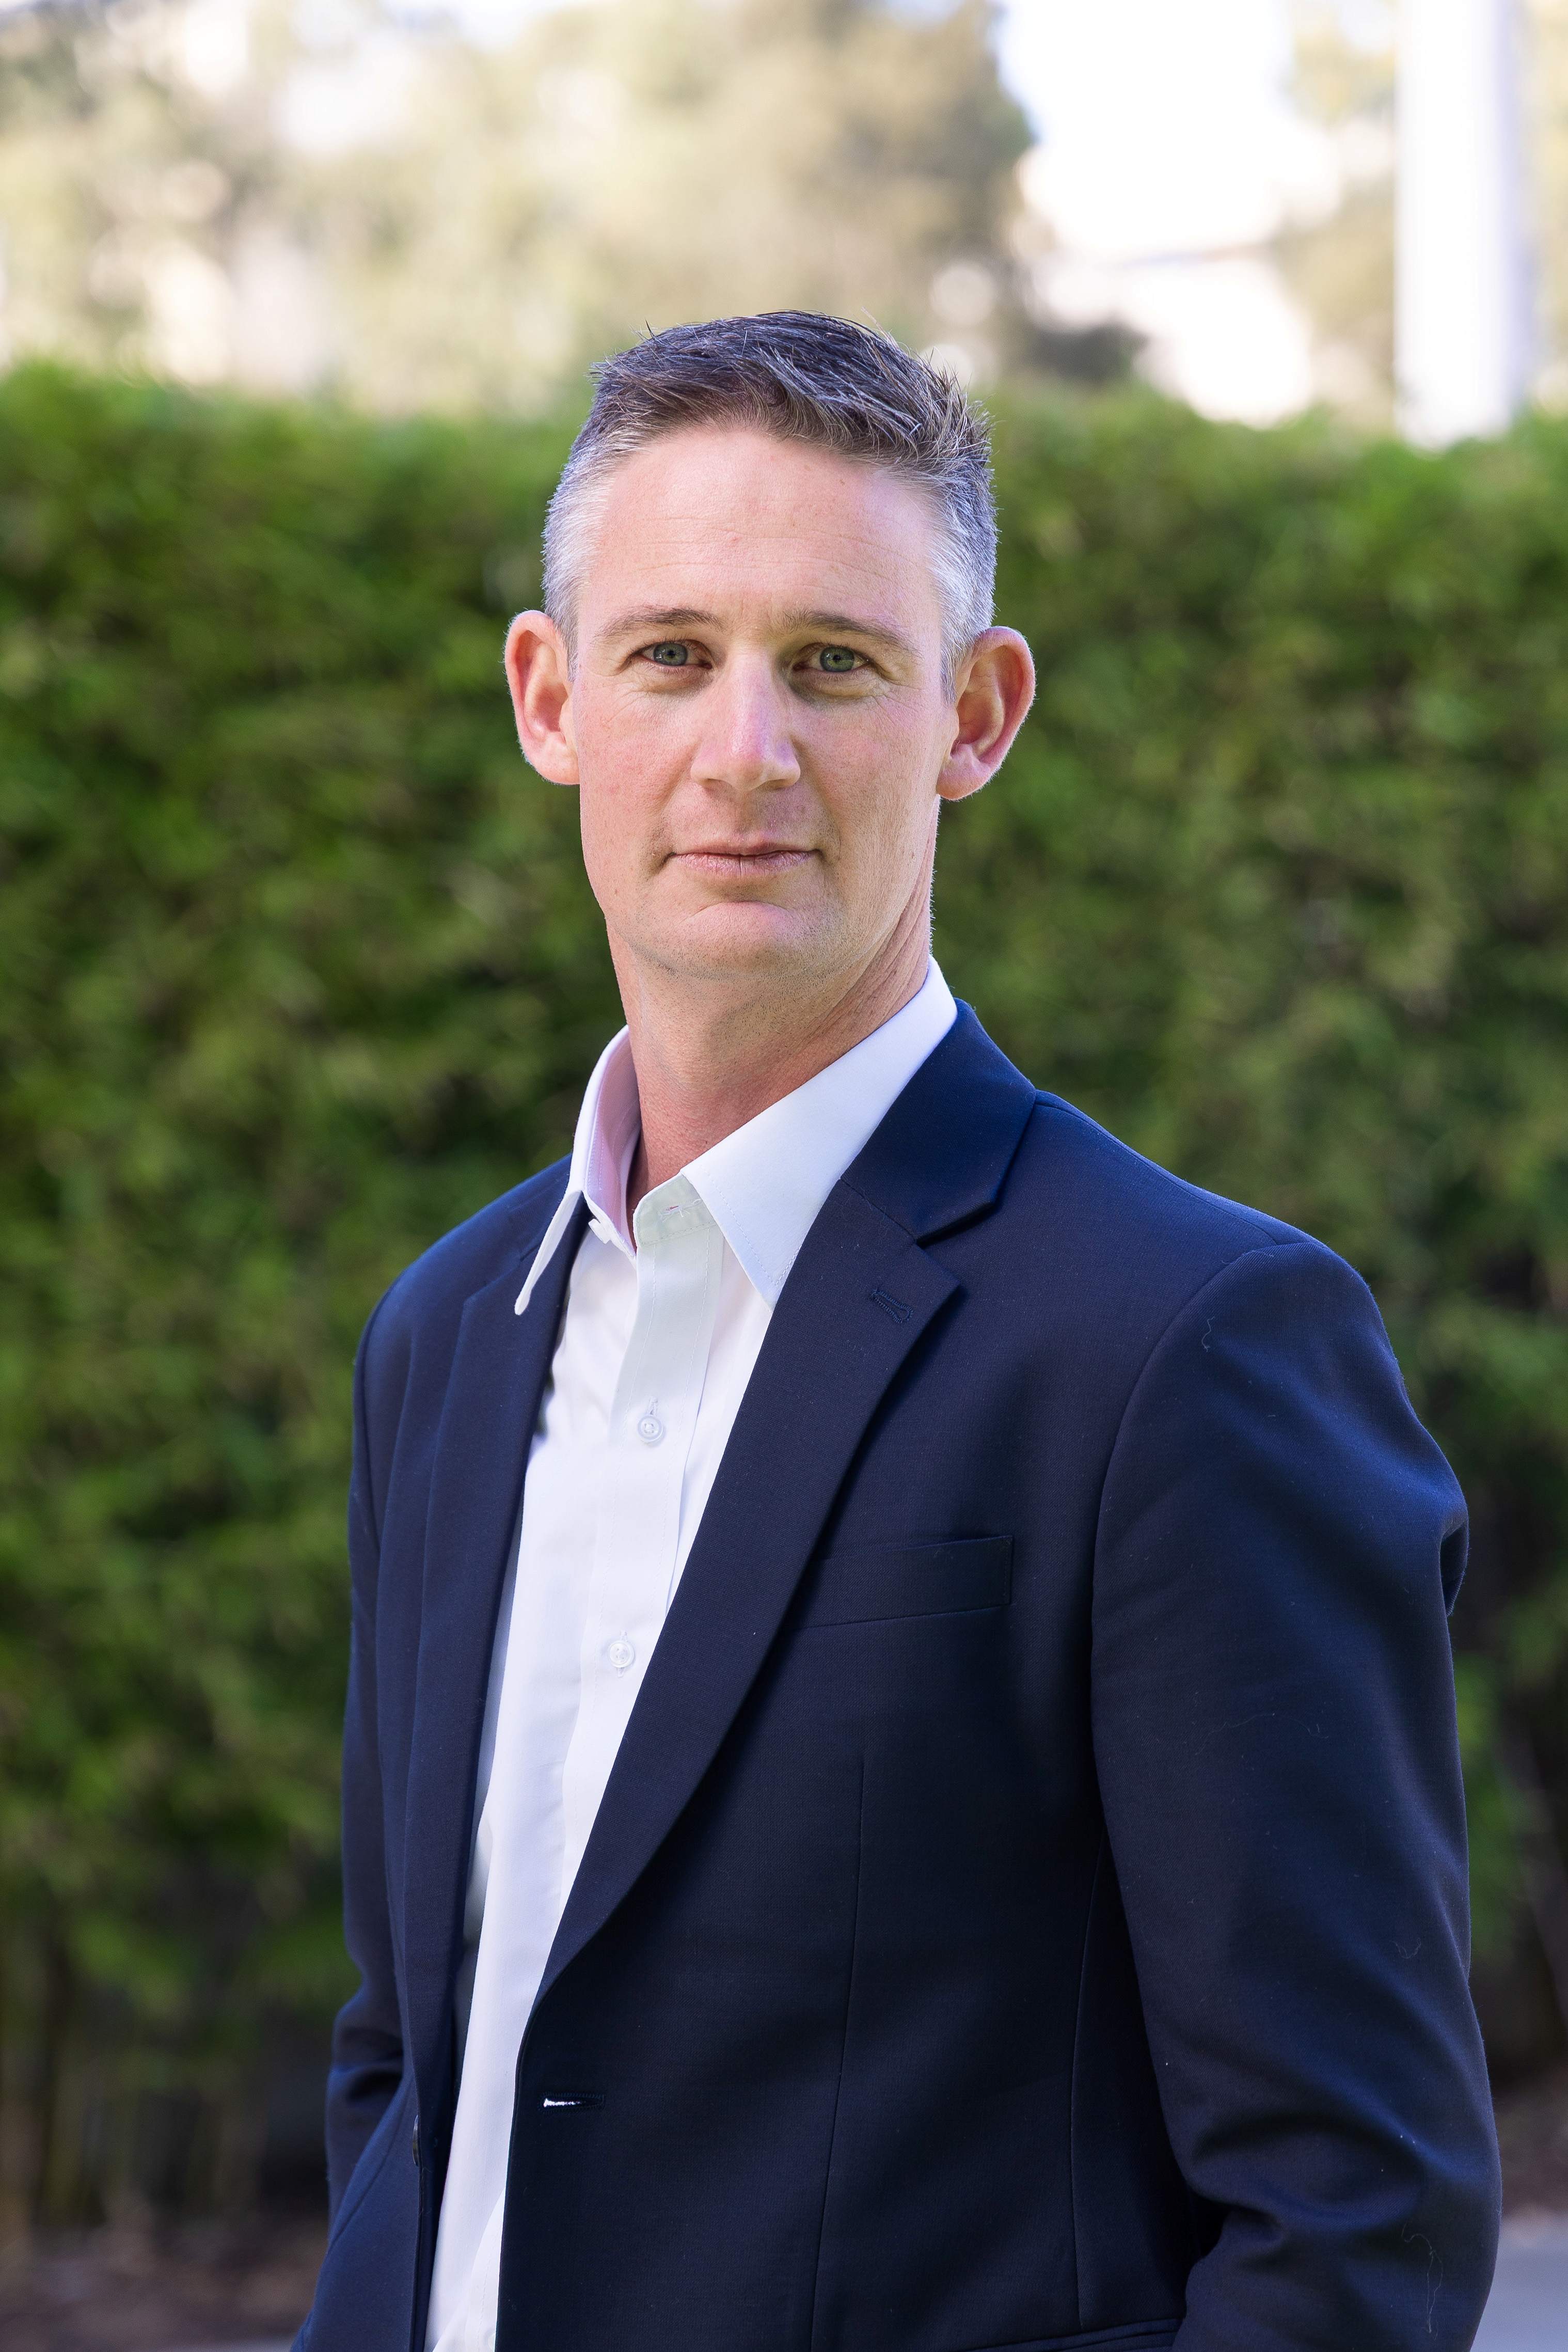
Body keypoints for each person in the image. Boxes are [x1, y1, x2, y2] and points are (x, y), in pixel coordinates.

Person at [298, 312, 1500, 2352]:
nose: (743, 751)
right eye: (672, 653)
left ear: (975, 711)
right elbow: (420, 2064)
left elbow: (1352, 2222)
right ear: (550, 696)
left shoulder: (1189, 1348)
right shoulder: (448, 1336)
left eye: (833, 663)